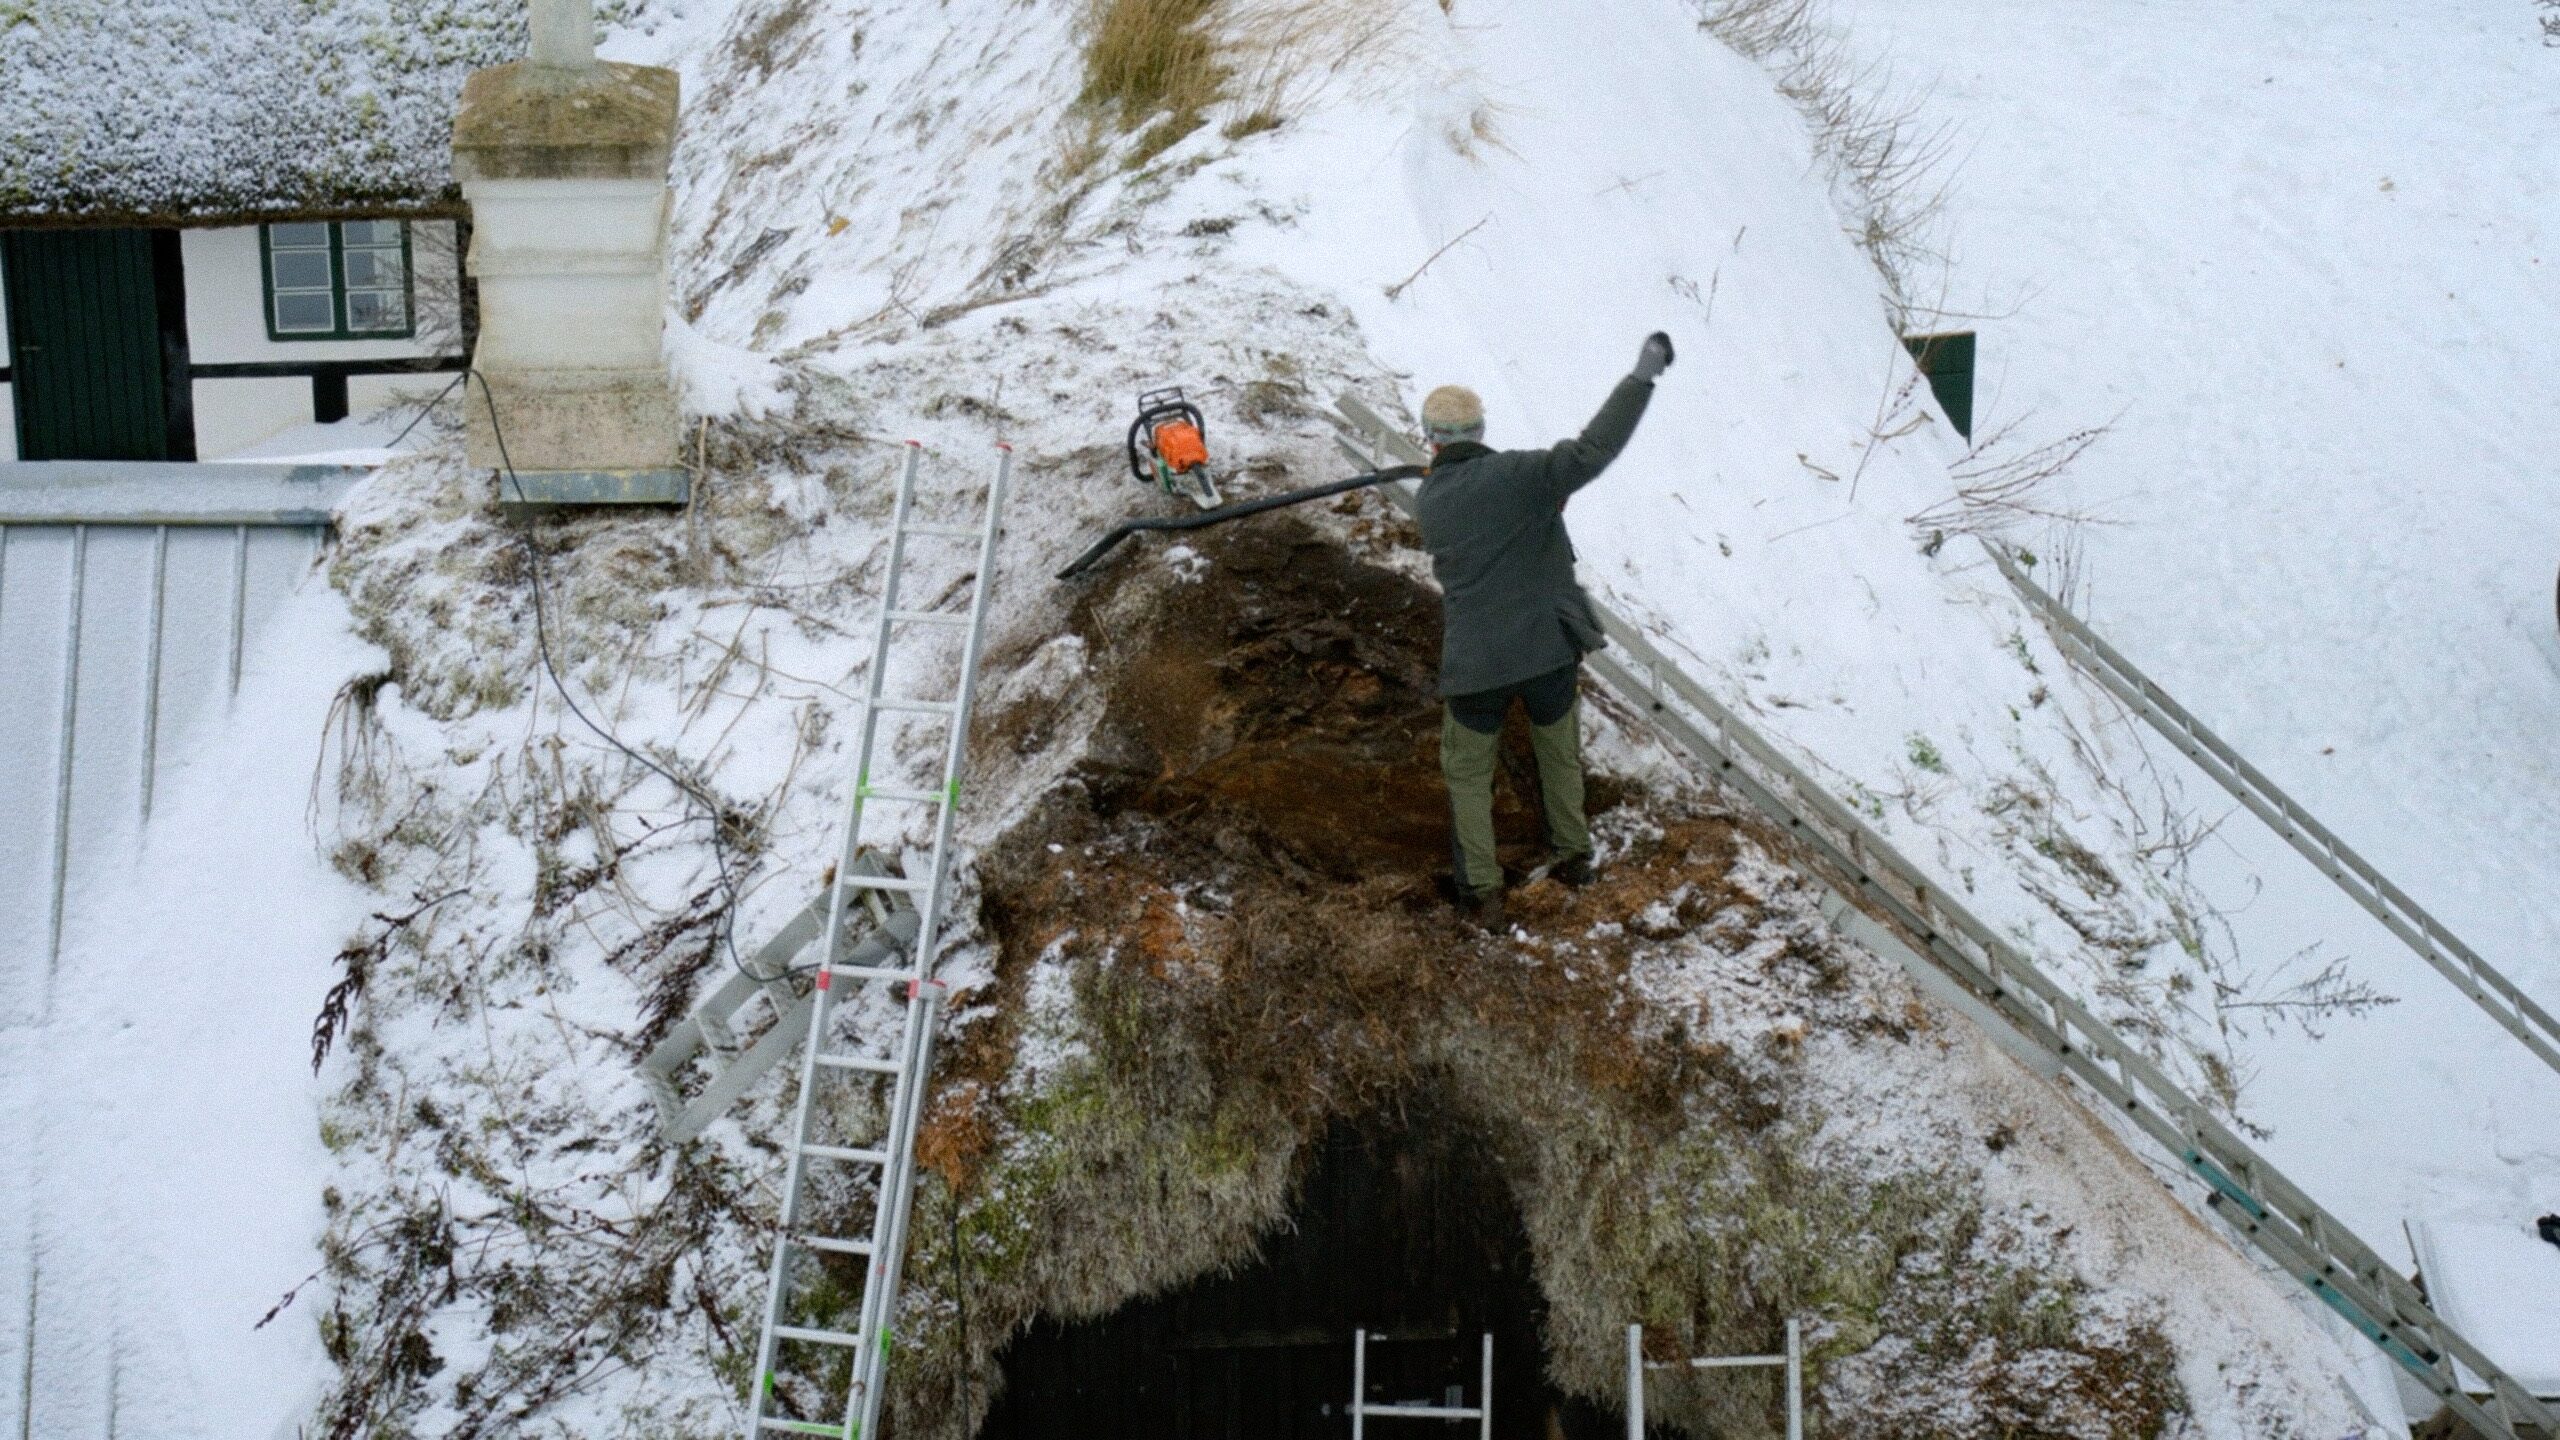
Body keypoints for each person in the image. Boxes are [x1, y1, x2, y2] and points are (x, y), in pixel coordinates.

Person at [1416, 332, 1674, 927]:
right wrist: (1641, 378)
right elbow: (1593, 448)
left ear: (1429, 440)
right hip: (1547, 652)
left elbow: (1472, 513)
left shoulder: (1431, 502)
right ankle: (1573, 855)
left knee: (1468, 776)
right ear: (1481, 430)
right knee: (1557, 754)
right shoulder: (1528, 477)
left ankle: (1481, 894)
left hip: (1477, 666)